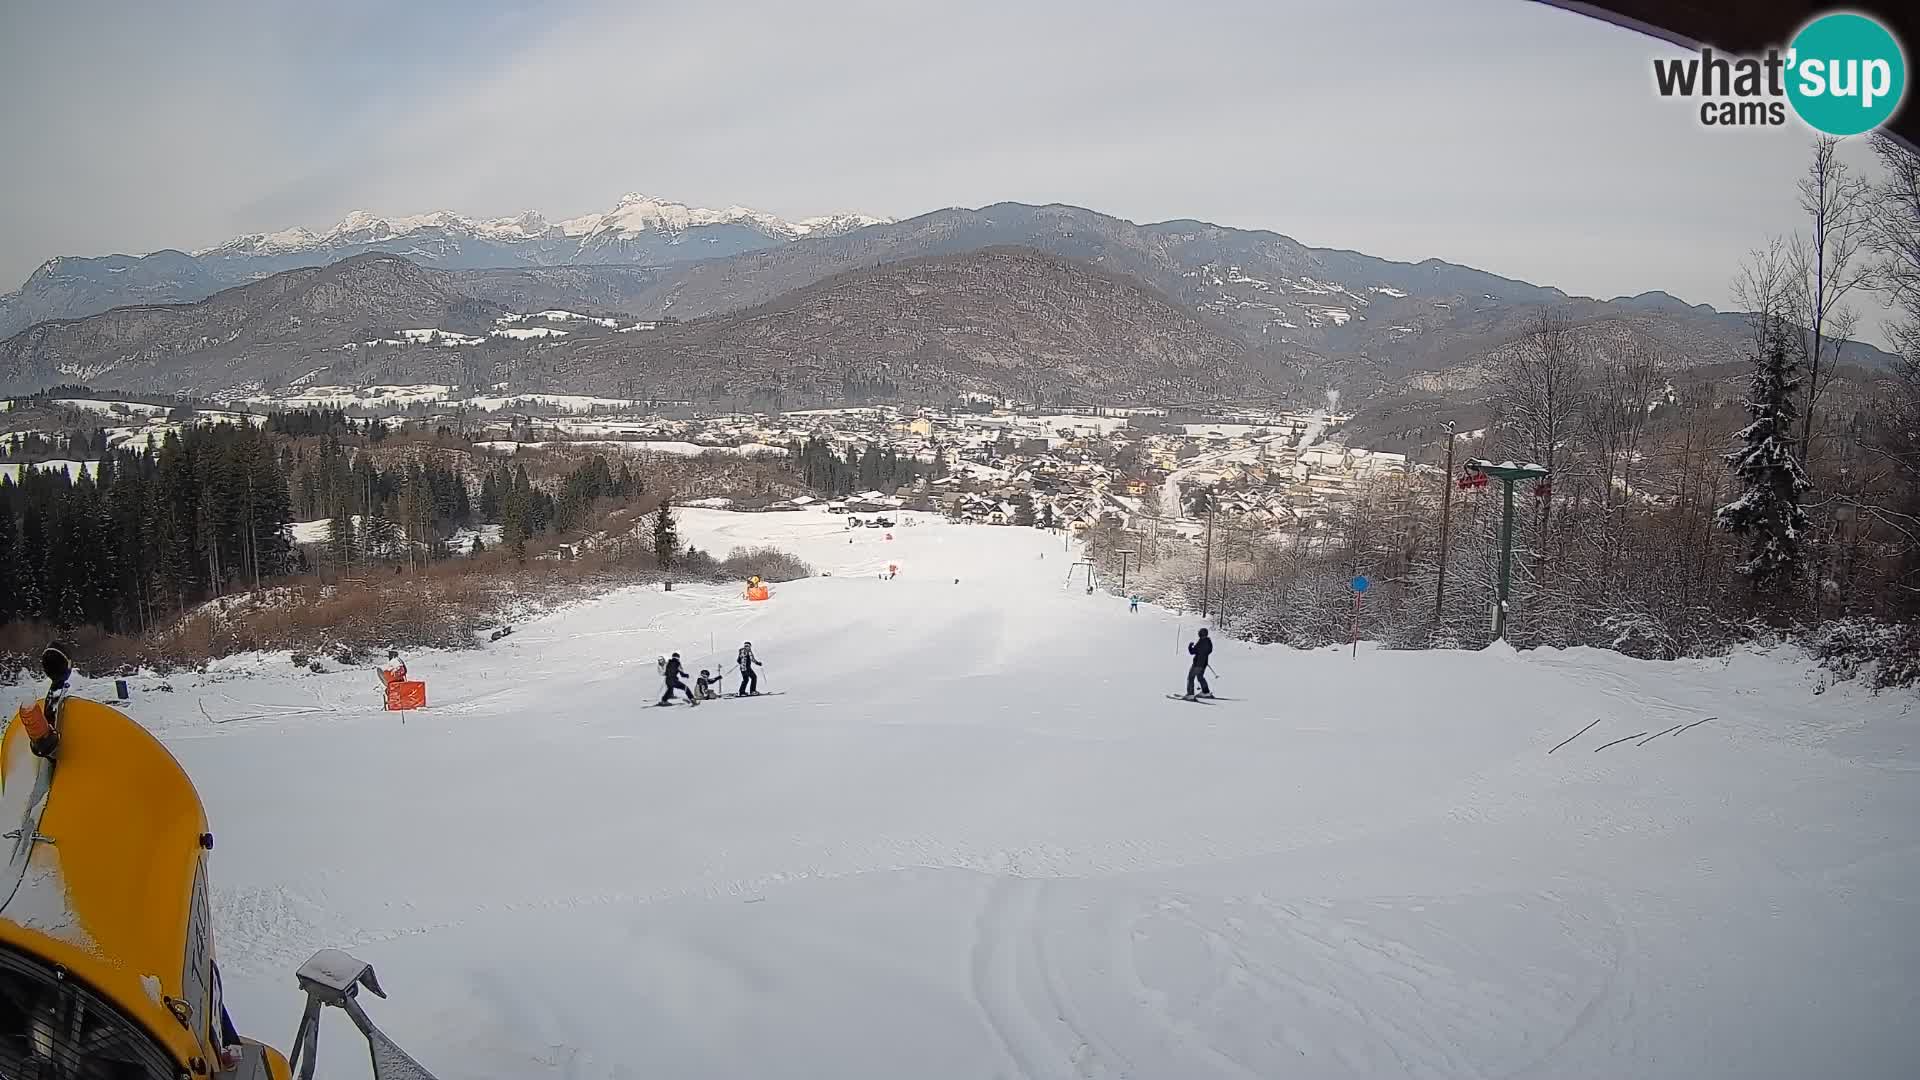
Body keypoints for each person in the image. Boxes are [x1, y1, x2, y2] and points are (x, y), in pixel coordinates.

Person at [1184, 628, 1213, 700]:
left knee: (1191, 677)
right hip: (1203, 664)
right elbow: (1208, 651)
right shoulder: (1208, 642)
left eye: (1200, 633)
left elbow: (1192, 652)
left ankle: (1190, 694)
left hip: (1197, 664)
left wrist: (1190, 646)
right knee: (1200, 677)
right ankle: (1205, 692)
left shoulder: (1201, 642)